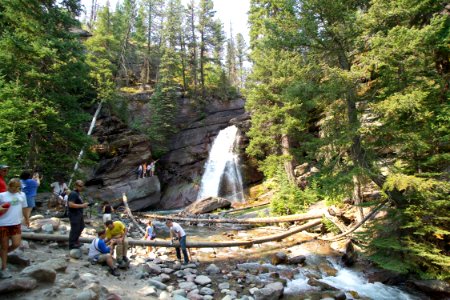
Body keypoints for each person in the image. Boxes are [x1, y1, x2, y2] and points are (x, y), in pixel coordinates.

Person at [0, 178, 29, 279]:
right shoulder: (2, 195)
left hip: (16, 223)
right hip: (3, 223)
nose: (16, 189)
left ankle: (2, 255)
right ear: (9, 186)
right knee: (4, 246)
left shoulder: (22, 195)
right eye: (14, 187)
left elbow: (24, 208)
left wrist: (27, 219)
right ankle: (4, 268)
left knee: (16, 244)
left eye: (18, 187)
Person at [68, 180, 88, 249]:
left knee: (81, 227)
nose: (81, 187)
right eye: (79, 186)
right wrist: (82, 205)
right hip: (74, 214)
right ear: (76, 186)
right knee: (75, 229)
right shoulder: (73, 193)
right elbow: (70, 204)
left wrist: (84, 205)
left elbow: (78, 203)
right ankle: (71, 244)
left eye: (82, 186)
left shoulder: (78, 193)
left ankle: (76, 241)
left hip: (79, 214)